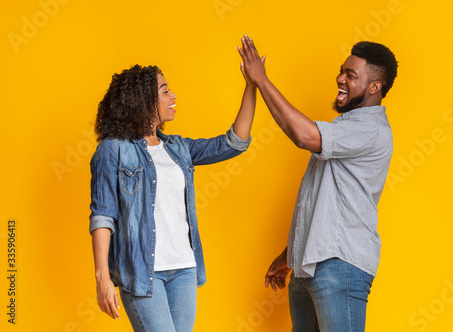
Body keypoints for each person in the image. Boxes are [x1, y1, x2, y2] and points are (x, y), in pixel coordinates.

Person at [89, 56, 263, 332]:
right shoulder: (114, 150)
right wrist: (102, 278)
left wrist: (252, 86)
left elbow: (235, 142)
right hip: (142, 271)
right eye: (165, 90)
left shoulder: (179, 149)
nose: (174, 95)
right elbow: (102, 216)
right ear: (142, 100)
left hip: (184, 267)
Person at [238, 34, 398, 331]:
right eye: (341, 71)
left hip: (340, 267)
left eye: (351, 75)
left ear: (375, 87)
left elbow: (303, 135)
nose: (340, 78)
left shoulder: (371, 129)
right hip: (308, 267)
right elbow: (322, 198)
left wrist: (261, 81)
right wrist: (290, 254)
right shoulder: (344, 127)